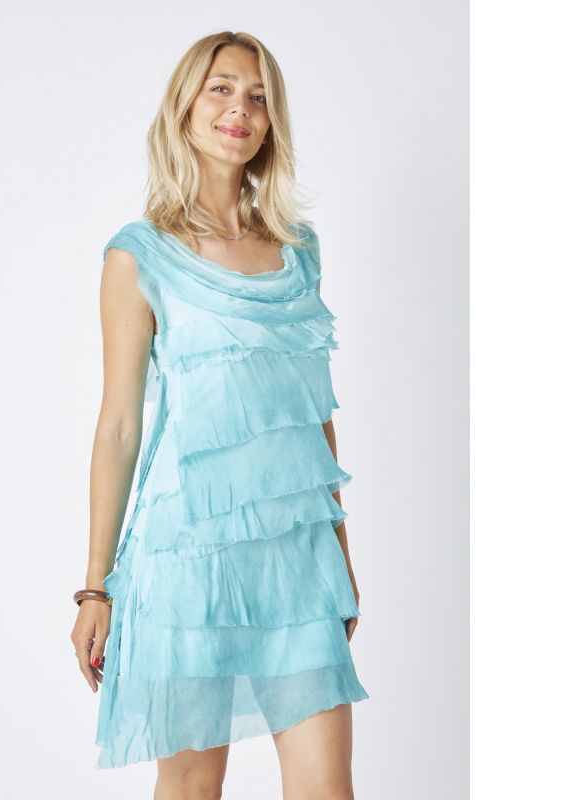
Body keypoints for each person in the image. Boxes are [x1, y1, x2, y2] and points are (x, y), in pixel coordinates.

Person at [71, 30, 369, 799]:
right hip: (188, 558)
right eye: (222, 88)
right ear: (185, 106)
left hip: (298, 559)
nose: (241, 108)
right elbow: (119, 427)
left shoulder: (299, 251)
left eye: (260, 97)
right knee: (192, 789)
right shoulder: (139, 255)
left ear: (272, 124)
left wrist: (339, 554)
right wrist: (96, 587)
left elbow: (312, 415)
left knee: (327, 787)